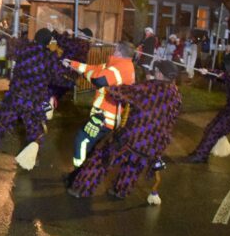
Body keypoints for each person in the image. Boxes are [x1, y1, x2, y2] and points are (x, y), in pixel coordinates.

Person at [68, 60, 181, 198]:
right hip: (154, 144)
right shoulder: (176, 95)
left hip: (132, 138)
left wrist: (109, 84)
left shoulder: (148, 88)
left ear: (159, 73)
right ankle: (120, 191)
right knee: (133, 167)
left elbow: (119, 93)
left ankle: (81, 188)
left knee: (101, 159)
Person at [0, 28, 61, 166]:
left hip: (15, 96)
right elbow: (57, 78)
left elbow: (11, 47)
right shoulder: (49, 58)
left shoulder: (23, 50)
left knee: (0, 124)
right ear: (47, 42)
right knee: (35, 131)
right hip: (34, 101)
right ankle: (33, 158)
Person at [63, 41, 136, 170]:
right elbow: (94, 69)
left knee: (82, 140)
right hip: (105, 116)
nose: (113, 50)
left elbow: (99, 80)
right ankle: (85, 174)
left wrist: (86, 75)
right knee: (93, 146)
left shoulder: (120, 68)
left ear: (119, 51)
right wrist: (72, 64)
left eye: (115, 48)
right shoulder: (119, 65)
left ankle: (78, 174)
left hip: (105, 118)